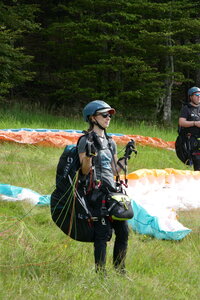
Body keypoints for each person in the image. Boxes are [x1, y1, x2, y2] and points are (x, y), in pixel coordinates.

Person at [78, 100, 131, 274]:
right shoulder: (85, 140)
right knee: (102, 234)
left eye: (110, 115)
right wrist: (89, 156)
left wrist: (127, 156)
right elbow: (84, 171)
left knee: (123, 232)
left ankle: (120, 270)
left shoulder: (110, 142)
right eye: (104, 115)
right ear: (92, 118)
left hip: (112, 192)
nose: (108, 118)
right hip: (96, 192)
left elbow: (115, 169)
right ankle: (101, 274)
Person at [178, 86, 200, 170]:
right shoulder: (186, 108)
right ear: (191, 97)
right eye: (197, 95)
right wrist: (195, 123)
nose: (199, 97)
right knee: (197, 163)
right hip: (191, 140)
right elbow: (181, 122)